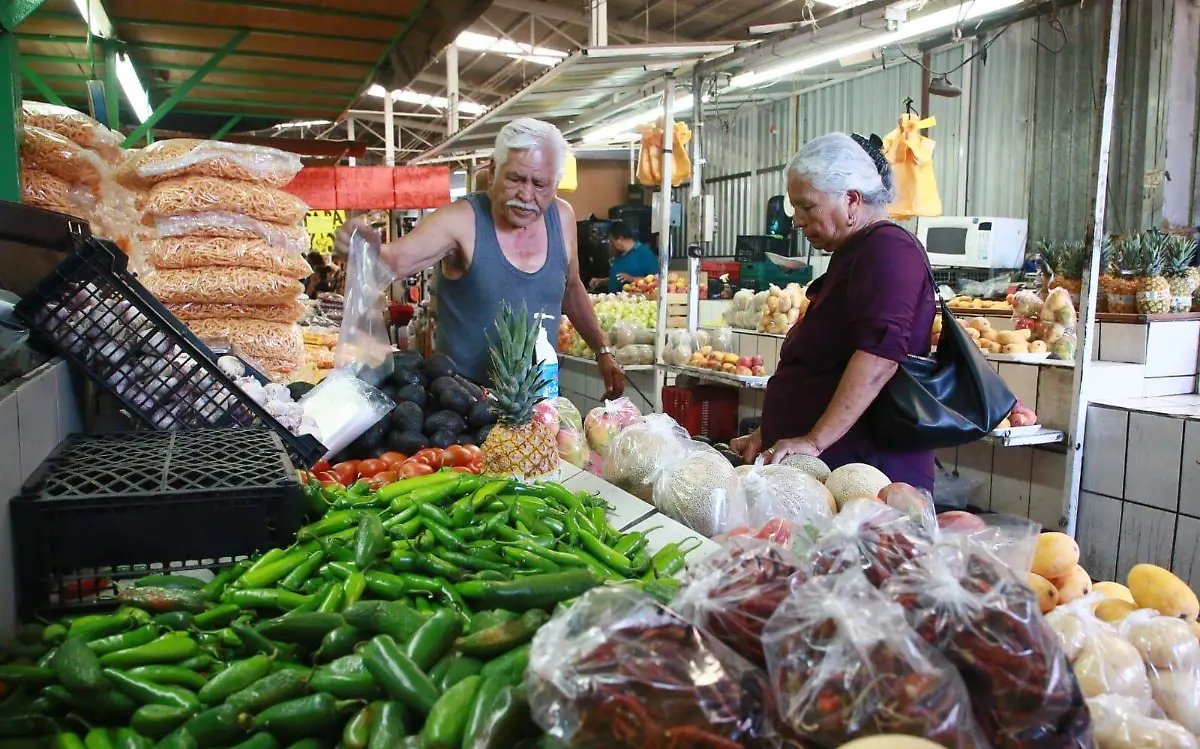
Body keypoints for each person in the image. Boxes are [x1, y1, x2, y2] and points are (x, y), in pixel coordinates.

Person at [334, 118, 625, 397]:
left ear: (555, 183)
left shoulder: (562, 217)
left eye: (540, 184)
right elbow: (395, 261)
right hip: (463, 405)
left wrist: (602, 351)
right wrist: (363, 248)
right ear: (494, 169)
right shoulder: (460, 221)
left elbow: (571, 287)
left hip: (539, 400)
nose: (526, 195)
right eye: (515, 179)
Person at [730, 133, 936, 490]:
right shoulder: (853, 253)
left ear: (851, 199)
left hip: (864, 476)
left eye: (807, 207)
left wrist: (814, 442)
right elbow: (824, 363)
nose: (797, 220)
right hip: (824, 470)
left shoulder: (889, 249)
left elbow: (880, 357)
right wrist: (768, 432)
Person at [588, 221, 658, 292]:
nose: (611, 245)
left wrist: (632, 279)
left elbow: (655, 282)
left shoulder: (646, 255)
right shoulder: (619, 255)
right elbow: (619, 278)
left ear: (620, 239)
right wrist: (602, 282)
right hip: (613, 298)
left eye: (612, 242)